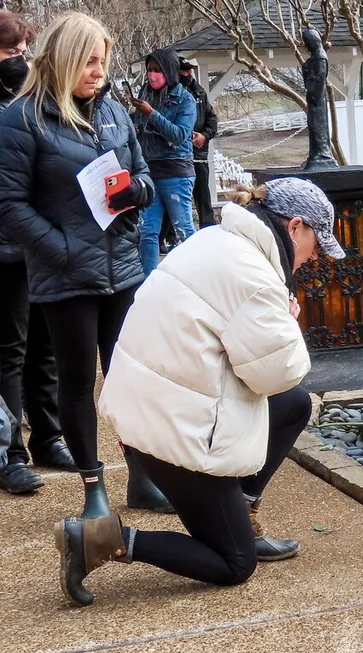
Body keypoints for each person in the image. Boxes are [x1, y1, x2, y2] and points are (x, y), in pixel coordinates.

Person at [55, 177, 346, 607]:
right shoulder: (254, 276)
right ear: (295, 227)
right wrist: (289, 319)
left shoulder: (216, 239)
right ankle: (102, 540)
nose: (314, 258)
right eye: (317, 245)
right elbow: (278, 373)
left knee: (292, 407)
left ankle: (241, 514)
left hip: (151, 410)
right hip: (172, 436)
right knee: (234, 563)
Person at [0, 12, 172, 516]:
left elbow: (141, 172)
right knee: (76, 383)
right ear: (64, 57)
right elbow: (9, 204)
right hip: (67, 274)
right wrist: (61, 249)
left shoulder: (114, 112)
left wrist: (137, 192)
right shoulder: (21, 119)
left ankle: (141, 479)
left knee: (128, 378)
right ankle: (94, 490)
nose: (99, 71)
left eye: (103, 60)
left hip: (121, 265)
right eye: (90, 61)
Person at [0, 10, 77, 496]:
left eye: (25, 50)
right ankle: (10, 452)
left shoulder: (31, 102)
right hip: (7, 246)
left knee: (45, 346)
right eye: (12, 51)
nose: (21, 60)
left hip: (40, 244)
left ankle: (49, 436)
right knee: (9, 349)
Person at [131, 47, 197, 275]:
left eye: (158, 70)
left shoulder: (185, 100)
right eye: (149, 70)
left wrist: (152, 114)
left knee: (183, 228)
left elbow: (179, 135)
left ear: (169, 71)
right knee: (147, 231)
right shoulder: (145, 95)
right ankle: (148, 283)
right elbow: (139, 126)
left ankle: (196, 276)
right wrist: (134, 127)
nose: (152, 75)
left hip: (176, 171)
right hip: (149, 171)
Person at [179, 57, 219, 227]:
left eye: (190, 70)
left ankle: (208, 225)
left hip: (200, 151)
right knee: (179, 195)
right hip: (179, 153)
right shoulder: (169, 92)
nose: (189, 73)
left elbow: (212, 120)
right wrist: (187, 137)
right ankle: (171, 234)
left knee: (203, 192)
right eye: (185, 70)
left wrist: (203, 136)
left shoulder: (199, 92)